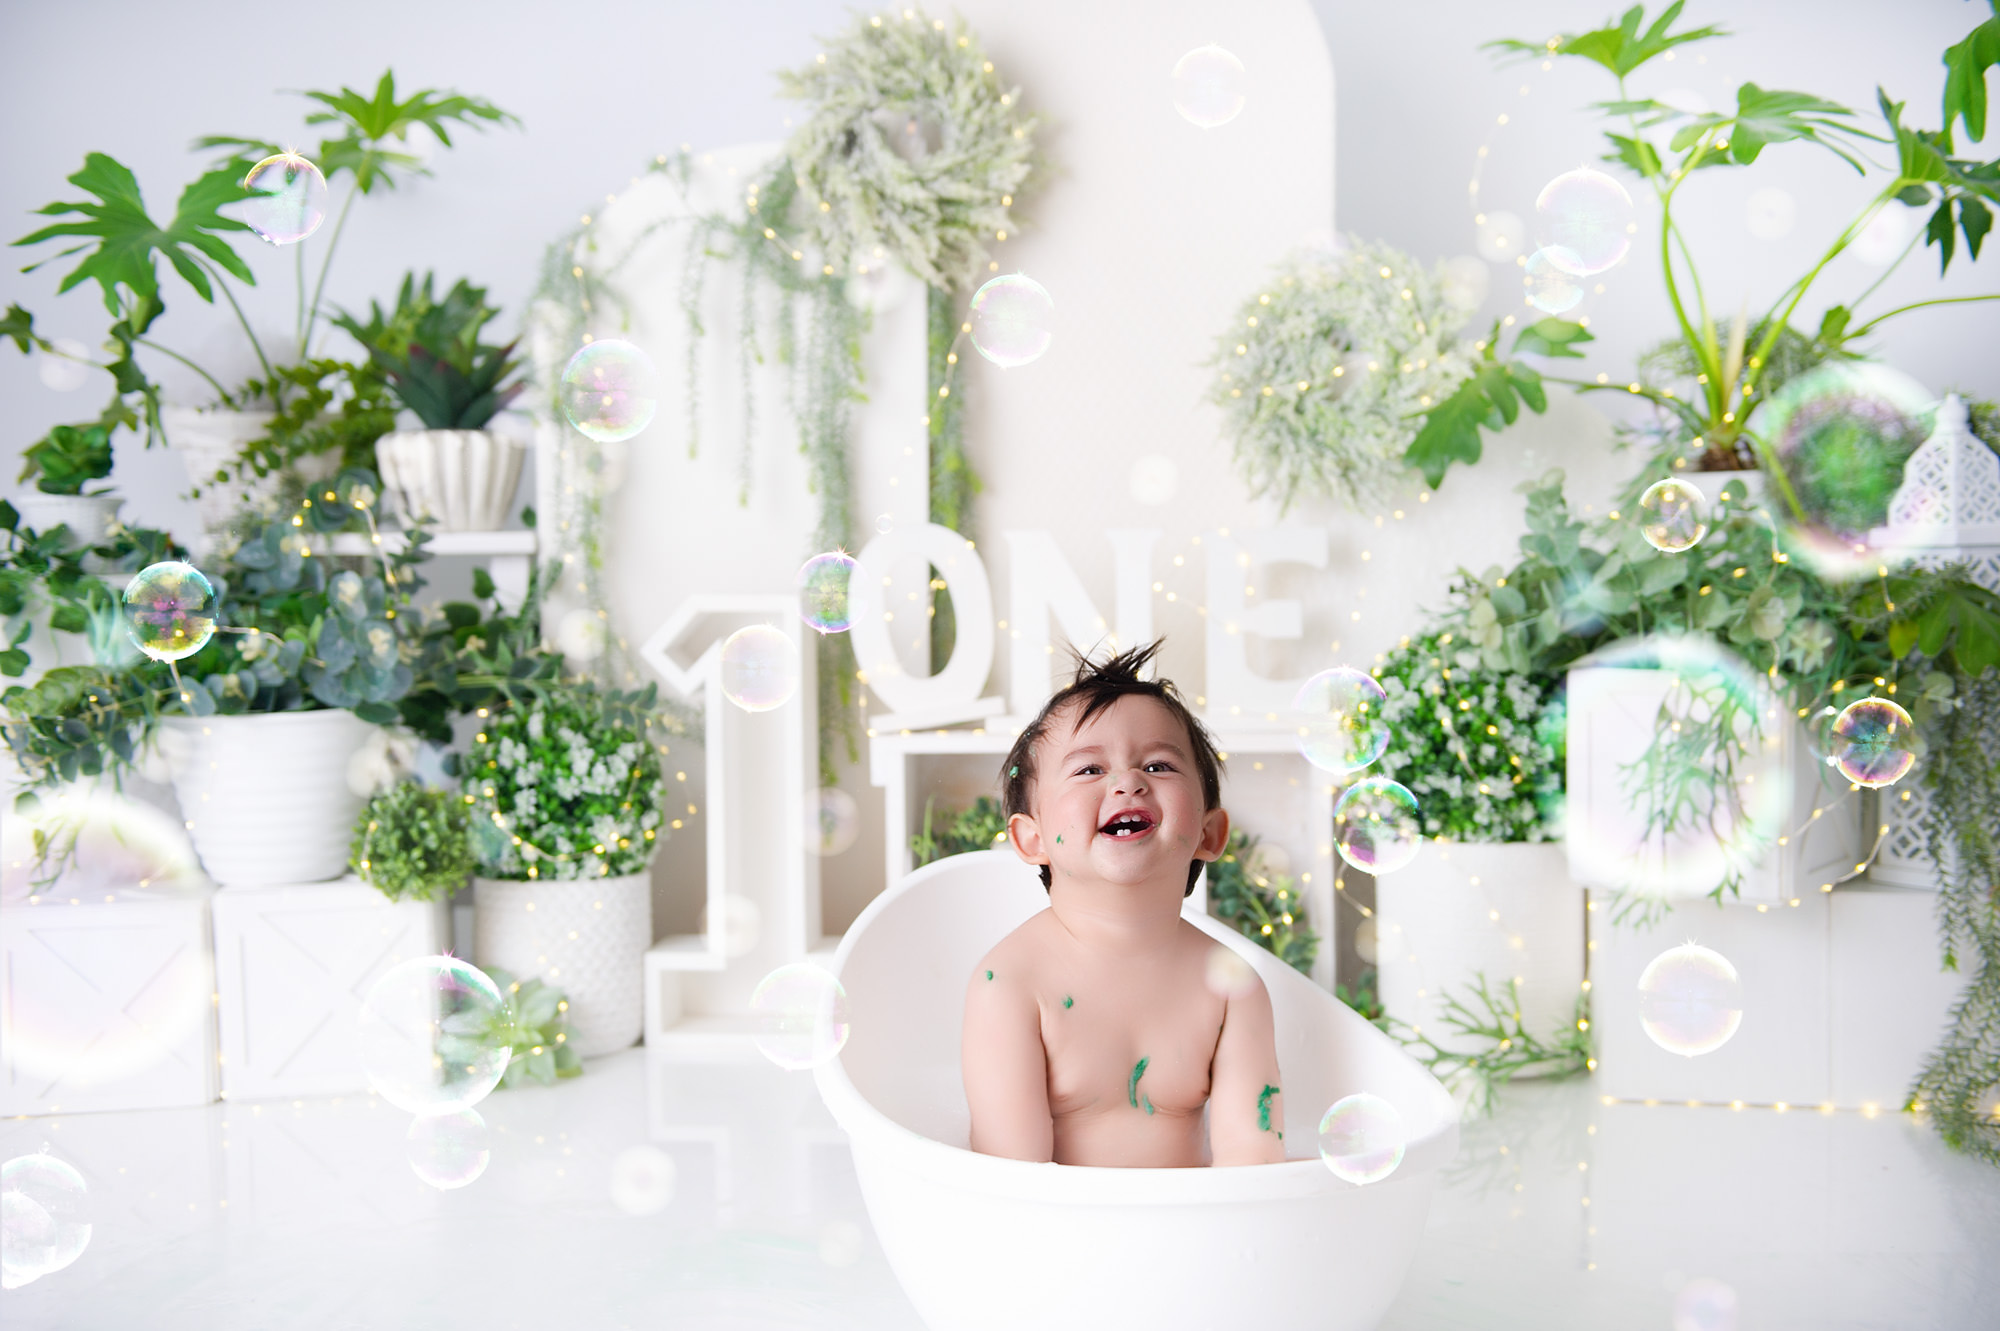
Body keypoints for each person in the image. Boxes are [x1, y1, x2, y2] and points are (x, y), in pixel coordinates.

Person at [962, 641, 1287, 1168]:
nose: (1127, 781)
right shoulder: (1011, 983)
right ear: (1031, 840)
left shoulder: (1231, 988)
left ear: (1209, 832)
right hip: (1058, 1237)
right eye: (1088, 770)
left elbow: (1252, 1167)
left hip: (1189, 1235)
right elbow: (1010, 1178)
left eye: (1158, 765)